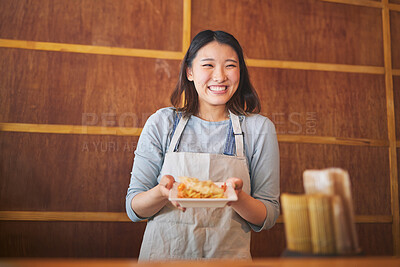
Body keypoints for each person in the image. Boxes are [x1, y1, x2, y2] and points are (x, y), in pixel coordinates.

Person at [126, 30, 280, 261]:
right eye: (208, 65)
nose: (220, 76)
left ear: (241, 72)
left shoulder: (259, 129)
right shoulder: (162, 123)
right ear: (189, 71)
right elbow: (134, 208)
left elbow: (268, 215)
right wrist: (162, 192)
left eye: (230, 65)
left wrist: (236, 197)